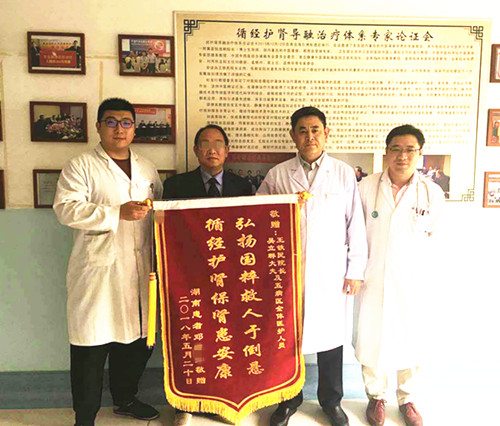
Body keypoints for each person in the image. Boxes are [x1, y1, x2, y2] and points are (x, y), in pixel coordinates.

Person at [53, 98, 163, 426]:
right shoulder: (81, 166)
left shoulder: (147, 167)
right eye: (111, 122)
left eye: (126, 123)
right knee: (91, 346)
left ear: (134, 129)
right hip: (98, 271)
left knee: (136, 342)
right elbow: (65, 209)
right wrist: (116, 213)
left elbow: (159, 208)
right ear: (98, 127)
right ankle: (85, 417)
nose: (119, 129)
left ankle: (125, 399)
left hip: (140, 270)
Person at [257, 106, 368, 426]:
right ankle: (287, 400)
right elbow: (259, 217)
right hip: (286, 272)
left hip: (330, 271)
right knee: (286, 336)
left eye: (315, 129)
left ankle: (331, 402)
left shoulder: (343, 173)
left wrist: (355, 271)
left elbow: (356, 225)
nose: (309, 136)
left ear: (326, 133)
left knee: (330, 338)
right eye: (303, 131)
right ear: (293, 135)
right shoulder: (278, 174)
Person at [352, 125, 445, 426]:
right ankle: (376, 396)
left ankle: (407, 399)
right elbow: (354, 233)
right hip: (372, 276)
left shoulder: (431, 192)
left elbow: (436, 238)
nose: (402, 156)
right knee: (371, 337)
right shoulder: (366, 187)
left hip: (412, 280)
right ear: (386, 151)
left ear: (420, 153)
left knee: (411, 338)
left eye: (409, 150)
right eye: (396, 149)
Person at [163, 124, 252, 426]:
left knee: (226, 339)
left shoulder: (243, 187)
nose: (212, 149)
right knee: (192, 340)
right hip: (188, 278)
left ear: (227, 151)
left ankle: (223, 399)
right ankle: (185, 402)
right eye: (205, 143)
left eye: (218, 143)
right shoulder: (175, 186)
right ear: (195, 150)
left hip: (230, 279)